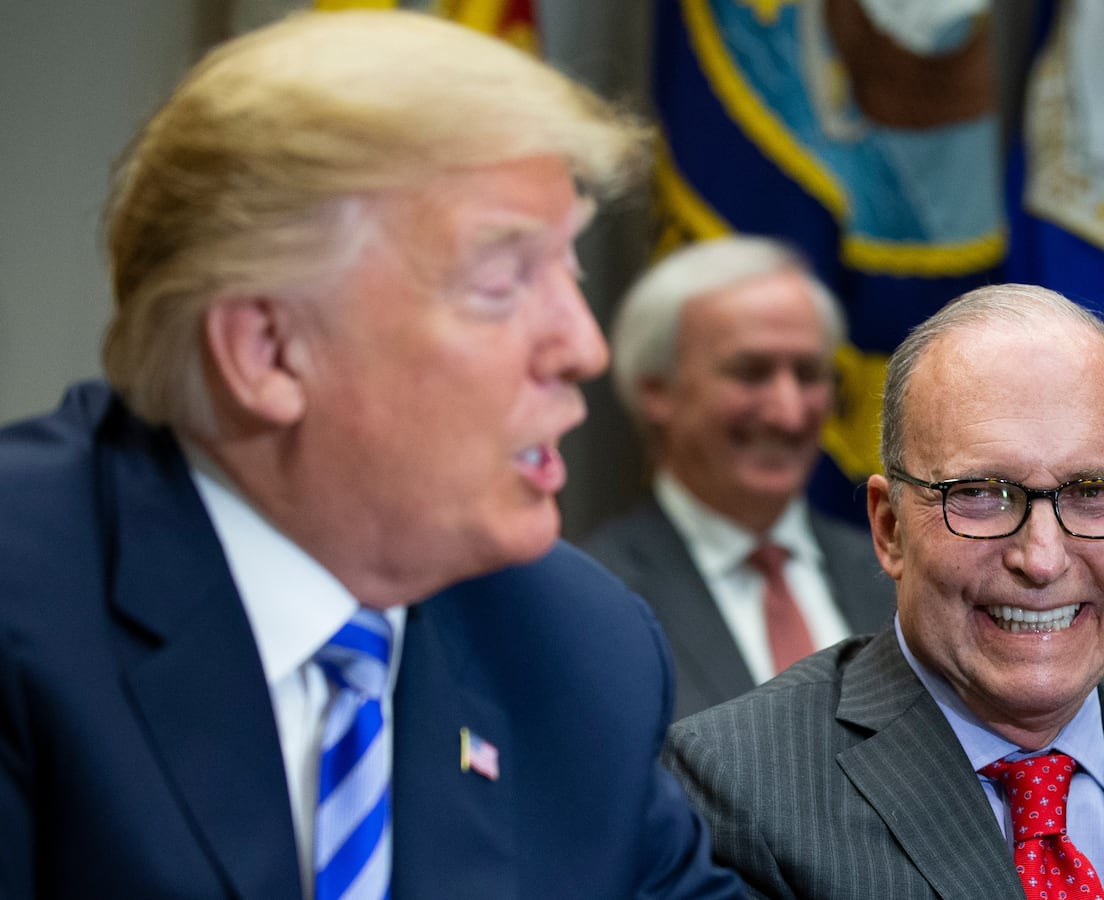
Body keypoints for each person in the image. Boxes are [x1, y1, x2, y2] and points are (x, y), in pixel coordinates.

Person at [0, 11, 743, 899]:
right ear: (268, 352)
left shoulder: (577, 653)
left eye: (569, 272)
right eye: (504, 282)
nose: (585, 347)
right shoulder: (25, 602)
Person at [665, 283, 1104, 899]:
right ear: (890, 528)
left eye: (1093, 493)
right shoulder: (733, 791)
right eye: (980, 495)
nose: (1041, 560)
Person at [582, 235, 893, 718]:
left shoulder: (895, 579)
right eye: (751, 373)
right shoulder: (592, 600)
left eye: (809, 374)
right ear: (656, 390)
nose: (788, 414)